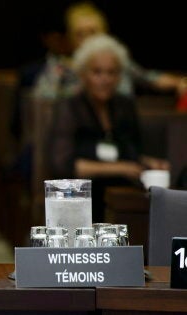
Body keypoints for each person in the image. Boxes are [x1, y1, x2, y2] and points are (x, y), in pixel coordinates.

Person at [49, 34, 169, 221]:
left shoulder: (124, 106)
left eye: (111, 72)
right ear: (83, 74)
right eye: (97, 72)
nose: (105, 79)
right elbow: (63, 165)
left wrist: (150, 163)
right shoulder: (69, 107)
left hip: (121, 194)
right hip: (78, 197)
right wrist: (120, 168)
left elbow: (131, 153)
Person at [32, 1, 185, 105]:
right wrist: (82, 90)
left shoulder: (117, 61)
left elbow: (148, 78)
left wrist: (180, 82)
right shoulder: (60, 66)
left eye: (92, 32)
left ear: (104, 33)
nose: (87, 40)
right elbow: (43, 99)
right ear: (71, 38)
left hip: (122, 130)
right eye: (80, 34)